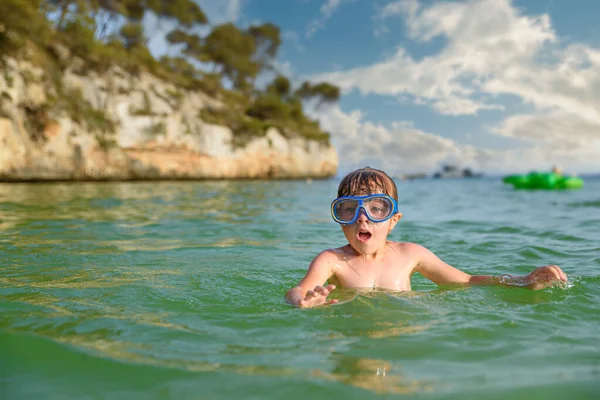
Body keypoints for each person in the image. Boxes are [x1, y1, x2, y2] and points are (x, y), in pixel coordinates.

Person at [286, 167, 568, 308]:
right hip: (348, 337)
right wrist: (303, 301)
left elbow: (466, 281)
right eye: (349, 209)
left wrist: (522, 281)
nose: (363, 217)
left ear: (393, 220)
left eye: (376, 208)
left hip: (403, 335)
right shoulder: (332, 260)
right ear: (341, 221)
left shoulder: (411, 254)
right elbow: (297, 290)